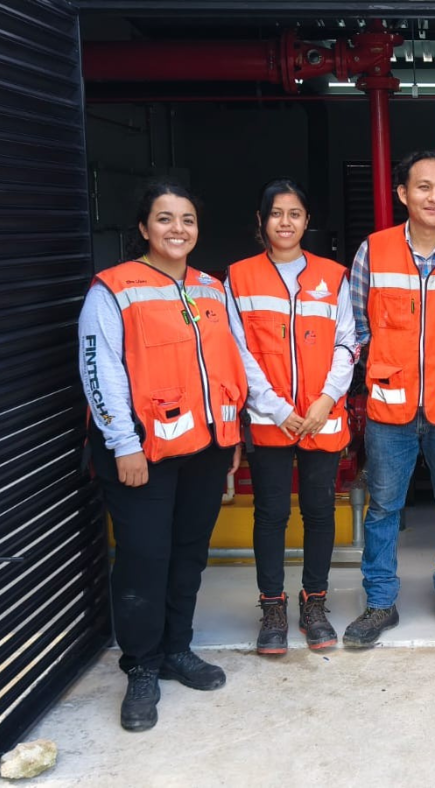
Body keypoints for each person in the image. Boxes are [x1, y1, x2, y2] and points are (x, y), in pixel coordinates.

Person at [79, 182, 247, 732]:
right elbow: (99, 370)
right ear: (144, 228)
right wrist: (122, 443)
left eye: (188, 220)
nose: (179, 229)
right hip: (141, 454)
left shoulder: (211, 289)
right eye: (166, 219)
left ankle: (178, 649)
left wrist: (232, 434)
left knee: (187, 556)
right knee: (143, 560)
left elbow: (228, 366)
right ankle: (142, 665)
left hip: (203, 448)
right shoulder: (114, 289)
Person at [343, 151, 435, 648]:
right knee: (383, 506)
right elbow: (355, 324)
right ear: (403, 193)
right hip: (390, 405)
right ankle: (380, 603)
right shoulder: (374, 251)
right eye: (423, 187)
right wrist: (381, 369)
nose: (434, 197)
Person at [226, 178, 356, 654]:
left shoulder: (334, 275)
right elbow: (237, 351)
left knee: (320, 512)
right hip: (270, 419)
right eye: (276, 213)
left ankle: (314, 602)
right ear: (261, 222)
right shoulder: (238, 278)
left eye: (295, 214)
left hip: (324, 417)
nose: (286, 222)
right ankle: (273, 606)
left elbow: (347, 341)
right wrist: (279, 408)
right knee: (271, 514)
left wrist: (324, 401)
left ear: (307, 221)